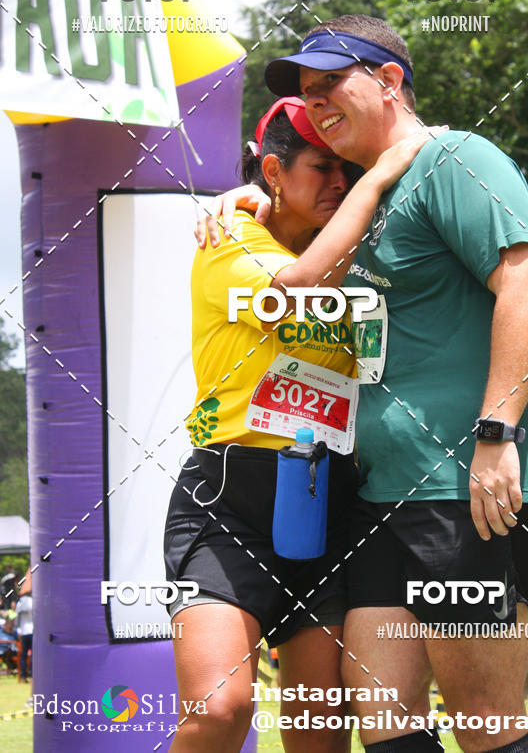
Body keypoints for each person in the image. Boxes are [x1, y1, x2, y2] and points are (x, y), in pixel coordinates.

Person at [210, 13, 528, 753]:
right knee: (384, 722)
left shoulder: (456, 158)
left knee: (482, 716)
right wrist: (249, 196)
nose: (316, 103)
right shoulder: (362, 200)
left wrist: (497, 435)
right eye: (305, 93)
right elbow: (297, 273)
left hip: (475, 484)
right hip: (385, 491)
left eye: (330, 84)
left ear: (388, 80)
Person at [165, 95, 438, 753]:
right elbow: (290, 286)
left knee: (318, 731)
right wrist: (370, 180)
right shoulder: (228, 235)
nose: (340, 181)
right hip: (228, 504)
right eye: (322, 167)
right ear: (274, 171)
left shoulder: (355, 255)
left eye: (347, 167)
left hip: (327, 505)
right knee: (220, 708)